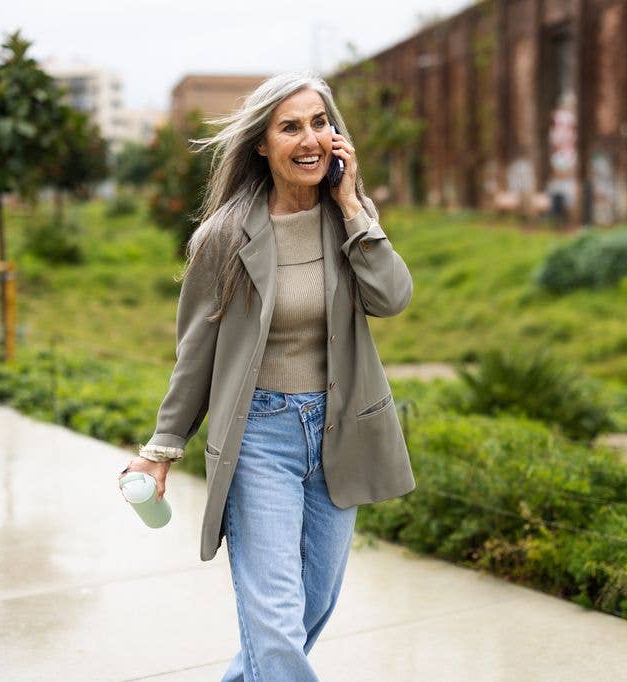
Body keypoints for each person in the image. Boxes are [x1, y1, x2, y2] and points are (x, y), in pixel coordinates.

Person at [119, 71, 416, 681]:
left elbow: (392, 297)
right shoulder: (225, 237)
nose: (310, 139)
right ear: (261, 143)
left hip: (340, 434)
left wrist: (354, 205)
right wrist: (161, 448)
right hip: (261, 436)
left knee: (307, 610)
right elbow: (195, 354)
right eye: (291, 127)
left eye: (320, 123)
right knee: (275, 624)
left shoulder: (349, 219)